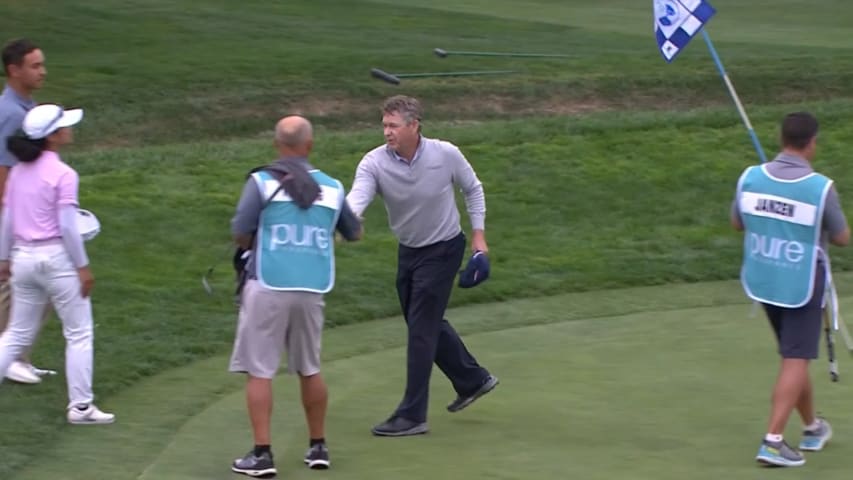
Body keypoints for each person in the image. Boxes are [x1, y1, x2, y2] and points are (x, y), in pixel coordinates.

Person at [347, 95, 499, 437]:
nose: (387, 132)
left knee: (421, 329)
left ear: (414, 126)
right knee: (423, 321)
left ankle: (413, 414)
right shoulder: (373, 163)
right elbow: (357, 198)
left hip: (445, 248)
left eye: (393, 126)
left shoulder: (445, 154)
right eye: (384, 125)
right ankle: (473, 379)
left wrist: (479, 238)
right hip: (410, 250)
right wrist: (345, 219)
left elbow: (473, 190)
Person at [228, 115, 362, 477]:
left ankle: (262, 453)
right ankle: (318, 447)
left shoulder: (260, 182)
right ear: (309, 145)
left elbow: (241, 229)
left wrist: (255, 243)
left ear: (277, 145)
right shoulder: (332, 187)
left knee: (259, 370)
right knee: (309, 367)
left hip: (268, 285)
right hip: (311, 288)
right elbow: (353, 231)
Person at [731, 112, 849, 467]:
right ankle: (773, 441)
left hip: (766, 278)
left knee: (792, 356)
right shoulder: (820, 187)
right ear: (811, 142)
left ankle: (812, 427)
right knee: (796, 358)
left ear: (782, 138)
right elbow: (842, 238)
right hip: (800, 281)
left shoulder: (750, 178)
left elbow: (738, 223)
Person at [0, 103, 114, 424]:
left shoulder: (19, 173)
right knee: (79, 332)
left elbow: (8, 221)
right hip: (56, 261)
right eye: (64, 125)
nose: (70, 129)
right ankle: (80, 407)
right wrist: (82, 266)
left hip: (23, 258)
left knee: (17, 333)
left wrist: (4, 258)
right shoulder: (64, 174)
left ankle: (81, 406)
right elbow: (66, 226)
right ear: (53, 137)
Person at [0, 38, 53, 384]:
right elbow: (4, 170)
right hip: (12, 214)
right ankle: (11, 357)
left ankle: (19, 356)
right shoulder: (11, 114)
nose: (42, 71)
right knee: (12, 286)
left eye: (42, 64)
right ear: (13, 70)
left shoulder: (24, 106)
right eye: (34, 66)